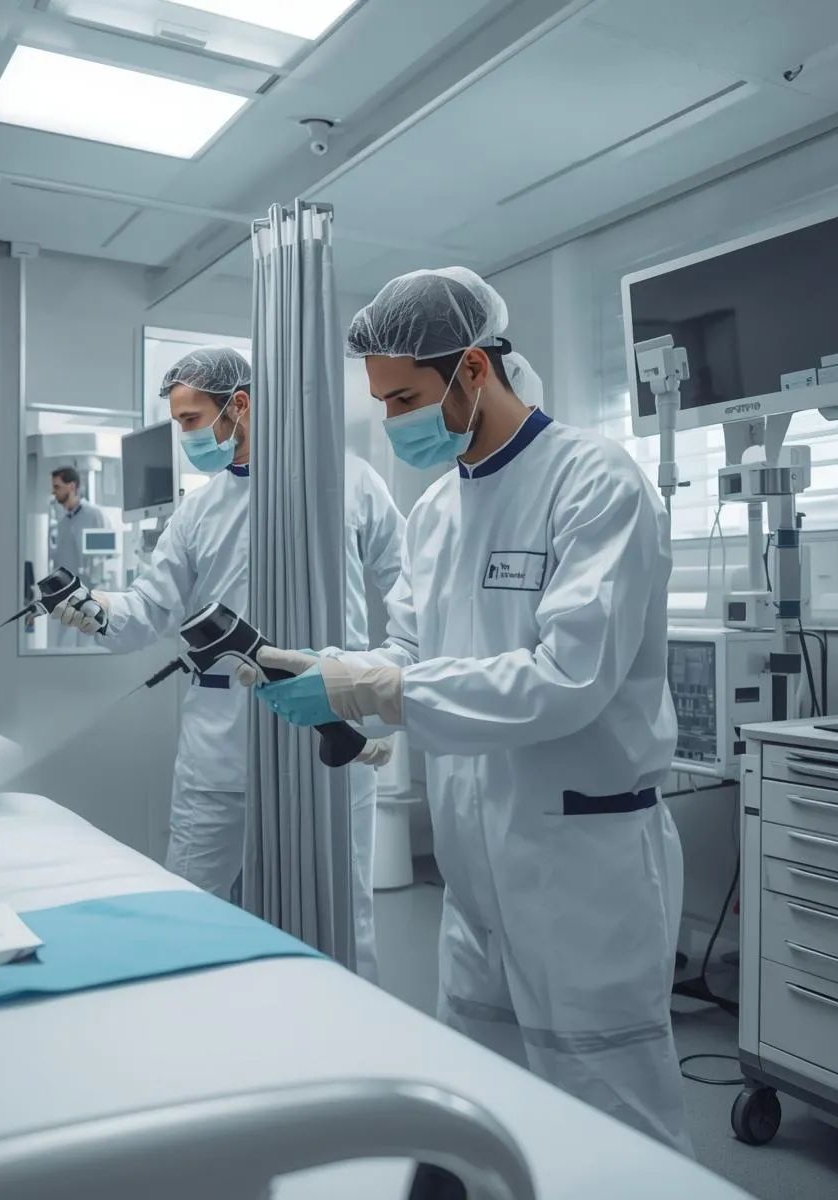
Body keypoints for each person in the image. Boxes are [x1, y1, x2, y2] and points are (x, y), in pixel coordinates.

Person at [247, 268, 692, 1155]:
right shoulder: (437, 509)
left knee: (609, 1114)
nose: (393, 421)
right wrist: (333, 669)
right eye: (382, 401)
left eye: (406, 397)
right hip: (473, 861)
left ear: (475, 371)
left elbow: (568, 678)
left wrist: (378, 691)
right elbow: (412, 657)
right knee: (483, 1103)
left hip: (581, 860)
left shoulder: (594, 482)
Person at [53, 346, 405, 982]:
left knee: (339, 921)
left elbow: (410, 588)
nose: (184, 436)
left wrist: (383, 675)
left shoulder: (349, 483)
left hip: (323, 729)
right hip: (220, 746)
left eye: (190, 420)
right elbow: (148, 610)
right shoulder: (198, 510)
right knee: (190, 910)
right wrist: (95, 609)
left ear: (238, 406)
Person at [49, 466, 108, 585]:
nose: (54, 492)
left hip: (88, 591)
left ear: (71, 486)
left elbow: (102, 559)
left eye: (57, 487)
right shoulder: (62, 523)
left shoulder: (94, 515)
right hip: (65, 591)